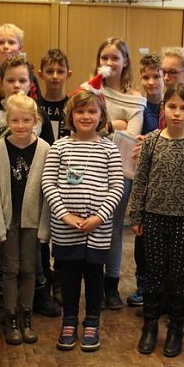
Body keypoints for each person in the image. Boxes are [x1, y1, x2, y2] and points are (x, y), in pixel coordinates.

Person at [129, 84, 184, 357]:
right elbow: (140, 180)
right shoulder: (152, 140)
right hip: (153, 218)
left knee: (179, 277)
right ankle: (150, 326)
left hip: (183, 221)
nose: (177, 113)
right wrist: (136, 214)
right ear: (163, 107)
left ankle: (176, 328)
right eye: (172, 106)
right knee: (152, 274)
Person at [42, 86, 123, 352]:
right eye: (80, 111)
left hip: (98, 231)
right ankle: (68, 320)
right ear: (71, 116)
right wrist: (65, 215)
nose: (86, 116)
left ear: (102, 116)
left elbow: (116, 188)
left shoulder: (109, 150)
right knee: (68, 277)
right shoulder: (59, 147)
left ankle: (91, 321)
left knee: (94, 277)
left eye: (92, 111)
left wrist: (100, 217)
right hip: (67, 230)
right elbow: (48, 184)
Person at [0, 56, 60, 319]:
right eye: (10, 80)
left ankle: (35, 299)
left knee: (33, 262)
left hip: (33, 214)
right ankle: (7, 304)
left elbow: (48, 173)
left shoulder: (42, 132)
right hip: (6, 208)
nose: (16, 85)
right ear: (1, 83)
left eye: (22, 80)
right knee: (6, 262)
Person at [0, 93, 51, 345]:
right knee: (10, 269)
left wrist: (45, 227)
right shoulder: (0, 148)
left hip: (33, 221)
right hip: (9, 221)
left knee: (30, 269)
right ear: (7, 120)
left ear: (35, 120)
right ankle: (11, 317)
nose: (21, 125)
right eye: (15, 120)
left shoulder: (45, 149)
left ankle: (27, 316)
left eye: (26, 120)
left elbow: (48, 190)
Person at [96, 37, 147, 310]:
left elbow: (131, 138)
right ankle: (92, 284)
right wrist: (116, 124)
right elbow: (84, 126)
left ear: (125, 61)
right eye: (104, 58)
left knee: (114, 231)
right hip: (90, 170)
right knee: (89, 228)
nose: (109, 63)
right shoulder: (91, 90)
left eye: (115, 58)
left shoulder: (136, 98)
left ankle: (111, 285)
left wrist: (107, 126)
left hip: (121, 172)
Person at [127, 53, 164, 307]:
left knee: (166, 238)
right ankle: (143, 284)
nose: (150, 82)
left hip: (168, 181)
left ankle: (163, 285)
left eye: (156, 76)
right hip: (144, 179)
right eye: (145, 77)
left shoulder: (173, 105)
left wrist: (152, 143)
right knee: (142, 235)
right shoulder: (139, 105)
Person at [38, 48, 73, 306]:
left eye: (60, 71)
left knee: (63, 232)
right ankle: (43, 280)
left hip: (69, 181)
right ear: (40, 74)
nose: (54, 76)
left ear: (68, 74)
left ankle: (61, 280)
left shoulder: (74, 106)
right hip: (38, 179)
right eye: (49, 71)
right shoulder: (34, 107)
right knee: (40, 235)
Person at [0, 23, 42, 122]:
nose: (6, 46)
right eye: (0, 42)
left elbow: (37, 107)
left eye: (11, 42)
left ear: (20, 48)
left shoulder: (29, 77)